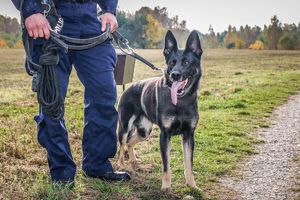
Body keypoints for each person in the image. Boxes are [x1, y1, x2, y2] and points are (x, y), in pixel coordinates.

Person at [11, 0, 131, 185]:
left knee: (105, 93)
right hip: (50, 16)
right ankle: (62, 172)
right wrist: (30, 10)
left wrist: (109, 10)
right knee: (53, 101)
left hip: (91, 19)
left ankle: (97, 165)